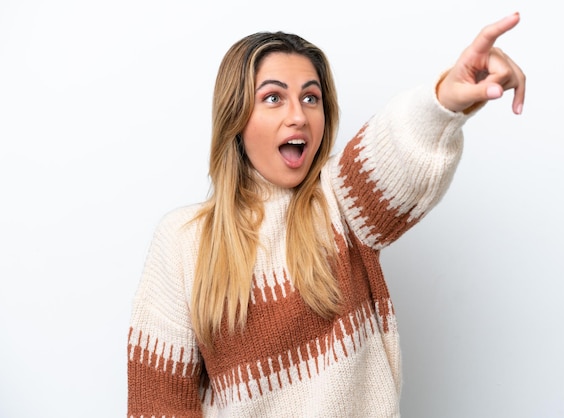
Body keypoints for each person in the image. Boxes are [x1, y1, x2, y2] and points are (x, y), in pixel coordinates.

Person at [127, 12, 525, 418]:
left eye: (311, 97)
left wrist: (444, 102)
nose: (298, 115)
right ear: (237, 118)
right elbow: (158, 403)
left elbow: (398, 154)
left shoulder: (339, 202)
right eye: (273, 97)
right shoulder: (183, 240)